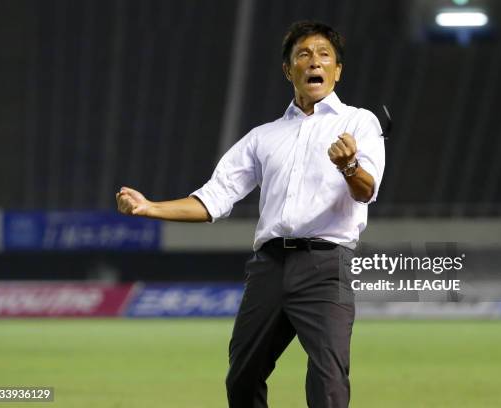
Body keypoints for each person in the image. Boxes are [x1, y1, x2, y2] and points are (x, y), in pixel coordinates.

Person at [116, 20, 385, 408]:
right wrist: (148, 207)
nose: (315, 61)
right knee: (243, 375)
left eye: (324, 55)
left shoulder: (360, 123)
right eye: (303, 54)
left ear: (337, 70)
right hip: (269, 268)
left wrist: (348, 167)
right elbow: (213, 200)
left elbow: (367, 190)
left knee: (328, 380)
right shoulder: (263, 137)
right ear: (287, 69)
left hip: (326, 265)